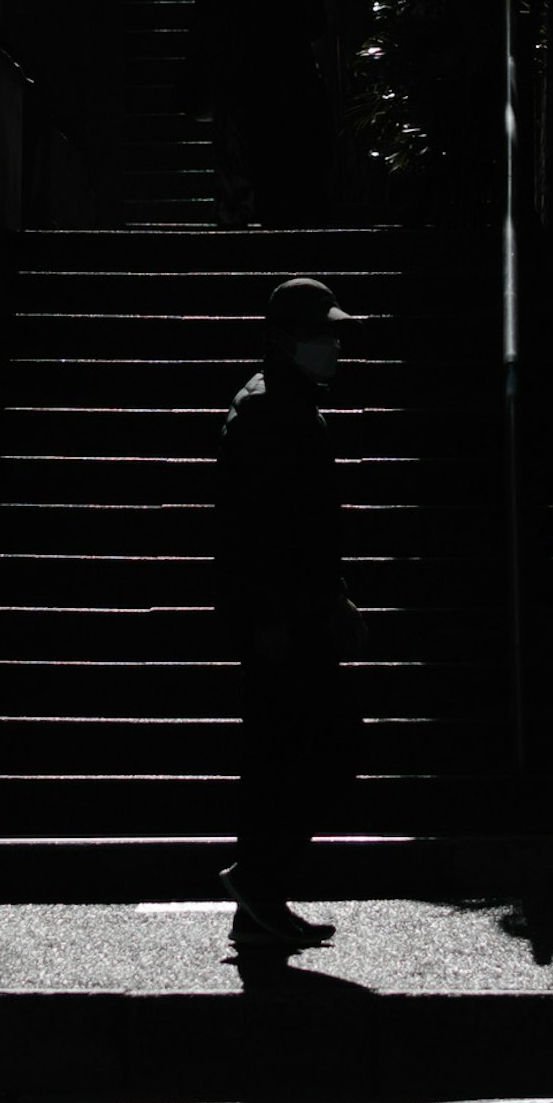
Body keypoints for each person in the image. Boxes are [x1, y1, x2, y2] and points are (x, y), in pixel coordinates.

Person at [212, 270, 356, 948]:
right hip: (284, 619)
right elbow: (260, 529)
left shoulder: (283, 402)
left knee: (280, 755)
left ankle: (259, 900)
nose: (331, 344)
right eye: (318, 332)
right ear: (281, 338)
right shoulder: (273, 412)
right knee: (320, 750)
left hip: (292, 612)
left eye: (332, 332)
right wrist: (275, 613)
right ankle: (259, 877)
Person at [177, 0, 331, 226]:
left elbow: (202, 20)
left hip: (242, 81)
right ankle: (287, 215)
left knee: (241, 155)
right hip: (292, 80)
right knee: (288, 154)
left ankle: (239, 216)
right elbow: (318, 25)